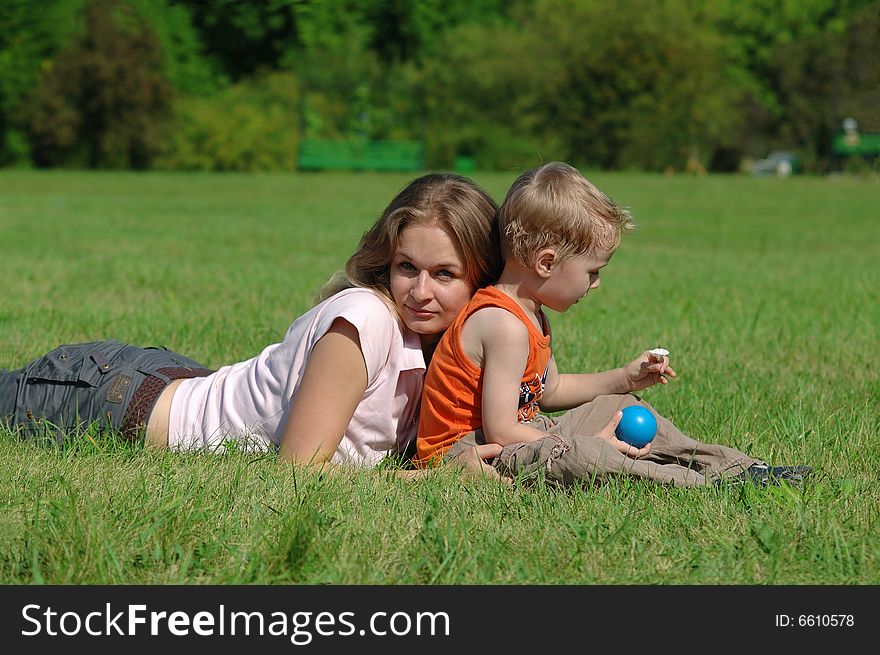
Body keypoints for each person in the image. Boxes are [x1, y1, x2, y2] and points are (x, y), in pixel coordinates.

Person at [0, 173, 507, 480]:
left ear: (479, 276)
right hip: (111, 401)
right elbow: (298, 471)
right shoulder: (367, 319)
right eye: (406, 268)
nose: (420, 291)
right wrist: (430, 484)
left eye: (445, 274)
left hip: (174, 377)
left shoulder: (453, 341)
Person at [415, 162, 811, 487]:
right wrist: (575, 441)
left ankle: (741, 468)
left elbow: (549, 390)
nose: (597, 283)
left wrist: (623, 380)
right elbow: (501, 429)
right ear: (547, 263)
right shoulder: (502, 324)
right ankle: (704, 485)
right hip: (469, 452)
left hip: (517, 435)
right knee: (587, 453)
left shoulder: (530, 313)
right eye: (592, 271)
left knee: (620, 409)